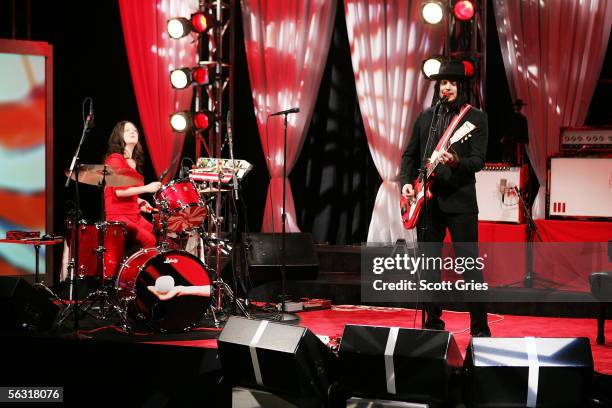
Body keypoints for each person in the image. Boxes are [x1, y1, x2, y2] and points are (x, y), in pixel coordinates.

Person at [399, 59, 491, 337]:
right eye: (442, 83)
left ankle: (480, 329)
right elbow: (409, 155)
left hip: (460, 202)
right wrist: (405, 183)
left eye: (451, 83)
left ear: (461, 87)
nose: (446, 88)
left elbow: (478, 161)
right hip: (428, 202)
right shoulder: (426, 116)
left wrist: (455, 162)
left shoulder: (475, 118)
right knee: (428, 268)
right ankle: (433, 326)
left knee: (469, 268)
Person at [104, 121, 161, 249]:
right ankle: (145, 269)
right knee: (150, 240)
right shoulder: (115, 159)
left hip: (133, 214)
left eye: (135, 130)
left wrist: (140, 201)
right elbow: (119, 192)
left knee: (159, 233)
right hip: (118, 216)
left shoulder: (133, 162)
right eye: (127, 130)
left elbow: (128, 193)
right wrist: (147, 188)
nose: (132, 132)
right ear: (119, 136)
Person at [501, 99, 529, 165]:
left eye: (518, 106)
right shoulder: (512, 117)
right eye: (517, 106)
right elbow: (508, 129)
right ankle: (507, 160)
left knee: (509, 142)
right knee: (506, 141)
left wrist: (525, 139)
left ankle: (509, 160)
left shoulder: (522, 118)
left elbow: (525, 130)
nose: (517, 107)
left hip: (518, 139)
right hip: (514, 138)